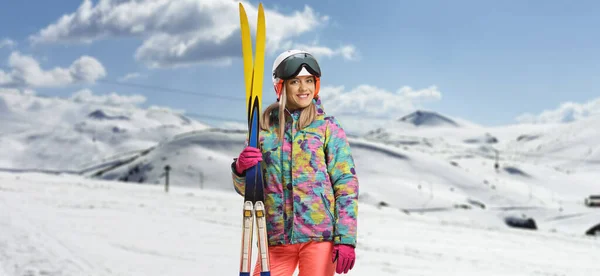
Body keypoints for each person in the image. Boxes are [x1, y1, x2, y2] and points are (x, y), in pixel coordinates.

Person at [231, 49, 359, 275]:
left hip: (319, 236)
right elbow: (251, 192)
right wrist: (241, 171)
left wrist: (346, 238)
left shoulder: (327, 127)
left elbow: (346, 184)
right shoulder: (263, 130)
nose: (304, 89)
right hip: (275, 237)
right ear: (280, 86)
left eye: (309, 81)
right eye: (295, 82)